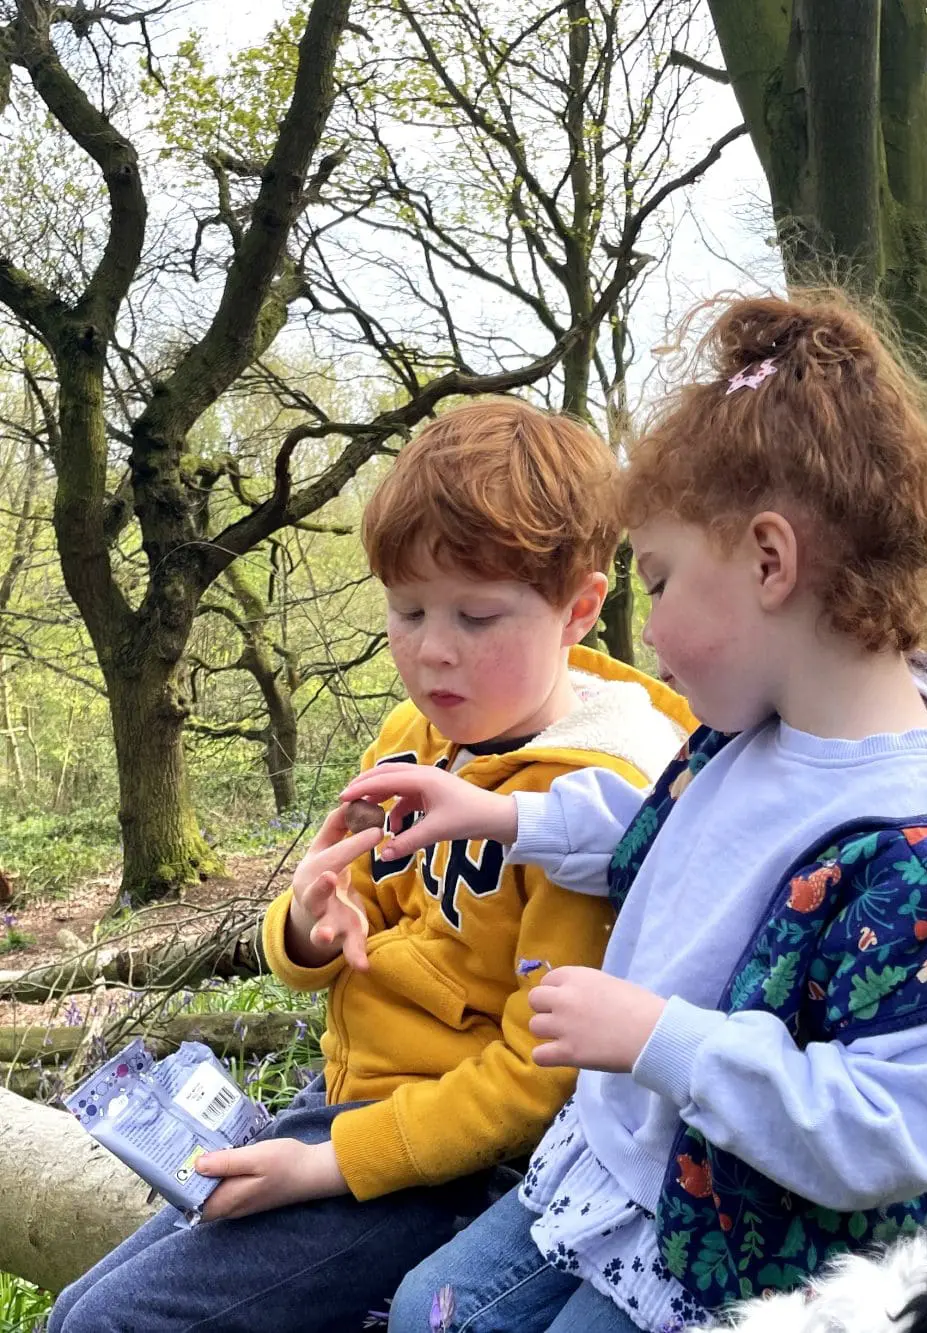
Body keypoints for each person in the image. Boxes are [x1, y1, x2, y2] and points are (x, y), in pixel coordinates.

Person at [343, 296, 927, 1333]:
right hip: (616, 1163)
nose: (642, 641)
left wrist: (664, 1038)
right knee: (436, 1307)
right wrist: (500, 816)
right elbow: (665, 842)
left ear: (768, 562)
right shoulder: (753, 734)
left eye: (654, 581)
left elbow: (900, 1128)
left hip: (738, 1248)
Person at [48, 397, 694, 1333]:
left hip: (453, 1168)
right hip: (346, 1106)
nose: (434, 649)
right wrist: (313, 919)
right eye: (407, 609)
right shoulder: (415, 738)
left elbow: (534, 1080)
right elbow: (333, 932)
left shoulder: (589, 809)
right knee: (78, 1308)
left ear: (580, 609)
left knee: (109, 1323)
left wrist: (327, 1163)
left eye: (477, 615)